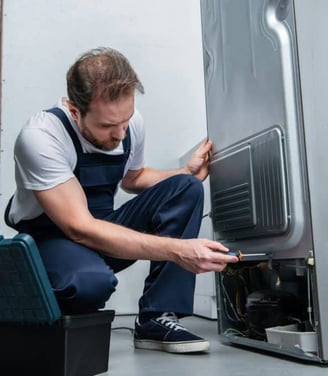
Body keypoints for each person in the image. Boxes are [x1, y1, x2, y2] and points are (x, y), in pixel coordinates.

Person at [4, 47, 238, 354]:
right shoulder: (41, 137)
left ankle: (156, 318)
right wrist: (177, 250)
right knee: (90, 284)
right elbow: (79, 228)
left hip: (100, 227)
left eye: (125, 120)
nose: (120, 133)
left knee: (186, 187)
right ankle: (36, 299)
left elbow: (133, 178)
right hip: (53, 238)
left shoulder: (128, 123)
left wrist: (184, 172)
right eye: (106, 126)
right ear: (75, 110)